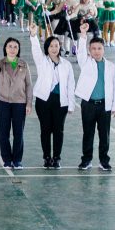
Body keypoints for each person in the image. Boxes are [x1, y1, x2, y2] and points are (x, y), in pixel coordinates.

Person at [74, 22, 115, 170]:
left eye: (99, 48)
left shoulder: (111, 67)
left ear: (104, 49)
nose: (96, 51)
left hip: (104, 105)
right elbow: (80, 52)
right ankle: (86, 160)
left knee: (104, 135)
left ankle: (104, 161)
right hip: (88, 104)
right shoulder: (85, 62)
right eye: (93, 49)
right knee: (88, 133)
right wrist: (83, 35)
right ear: (89, 50)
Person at [28, 23, 76, 170]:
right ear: (47, 48)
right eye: (51, 46)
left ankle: (57, 158)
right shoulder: (42, 61)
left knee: (58, 130)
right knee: (45, 130)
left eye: (56, 45)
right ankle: (46, 157)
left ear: (60, 47)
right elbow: (35, 49)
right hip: (43, 101)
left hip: (61, 102)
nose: (54, 48)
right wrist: (33, 35)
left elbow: (70, 85)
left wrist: (71, 104)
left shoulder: (66, 64)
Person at [0, 37, 33, 169]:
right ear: (5, 48)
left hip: (19, 103)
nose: (12, 49)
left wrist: (29, 103)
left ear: (18, 49)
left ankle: (17, 160)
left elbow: (29, 85)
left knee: (18, 133)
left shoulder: (23, 64)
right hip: (3, 102)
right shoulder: (1, 63)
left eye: (15, 47)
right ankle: (7, 160)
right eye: (10, 46)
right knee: (4, 133)